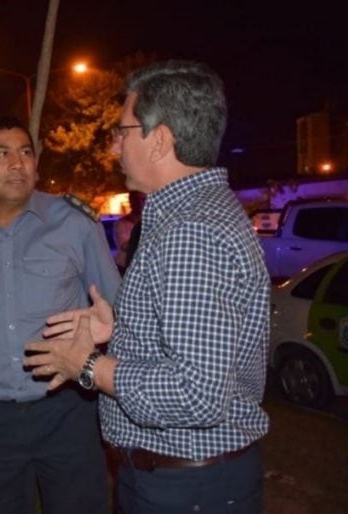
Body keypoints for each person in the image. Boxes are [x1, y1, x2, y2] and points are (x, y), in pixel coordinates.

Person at [25, 60, 270, 514]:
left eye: (122, 130)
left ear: (160, 140)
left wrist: (88, 365)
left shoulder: (190, 231)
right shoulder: (193, 214)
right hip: (185, 479)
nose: (115, 145)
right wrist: (119, 328)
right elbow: (196, 340)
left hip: (186, 487)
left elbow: (197, 394)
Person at [0, 116, 121, 514]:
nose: (18, 164)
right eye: (3, 154)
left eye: (26, 153)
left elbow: (113, 309)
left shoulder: (75, 225)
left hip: (67, 410)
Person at [112, 190, 145, 273]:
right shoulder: (122, 223)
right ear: (131, 201)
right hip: (126, 266)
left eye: (143, 199)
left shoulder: (150, 221)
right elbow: (123, 246)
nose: (140, 203)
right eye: (136, 200)